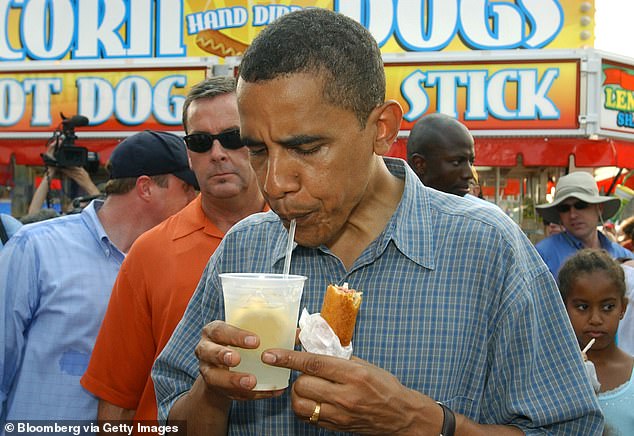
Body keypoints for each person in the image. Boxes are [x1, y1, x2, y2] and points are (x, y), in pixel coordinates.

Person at [152, 9, 602, 435]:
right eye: (258, 150)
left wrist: (422, 422)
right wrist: (212, 391)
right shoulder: (245, 249)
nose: (275, 183)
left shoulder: (486, 249)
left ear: (382, 128)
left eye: (306, 149)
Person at [80, 77, 267, 425]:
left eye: (232, 137)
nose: (217, 153)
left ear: (256, 141)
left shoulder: (300, 236)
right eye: (200, 142)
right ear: (188, 155)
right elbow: (118, 399)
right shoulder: (150, 252)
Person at [0, 130, 198, 425]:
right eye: (187, 187)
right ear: (146, 188)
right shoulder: (36, 247)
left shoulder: (171, 262)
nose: (196, 198)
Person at [558, 249, 634, 435]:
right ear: (563, 306)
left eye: (608, 307)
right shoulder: (551, 371)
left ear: (622, 308)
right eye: (582, 307)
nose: (596, 319)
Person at [535, 171, 631, 279]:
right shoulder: (542, 255)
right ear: (559, 215)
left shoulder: (624, 256)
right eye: (564, 208)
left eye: (581, 205)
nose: (572, 215)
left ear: (599, 208)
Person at [407, 113, 474, 197]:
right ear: (419, 164)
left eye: (471, 163)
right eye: (457, 162)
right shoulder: (391, 208)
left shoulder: (483, 210)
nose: (469, 174)